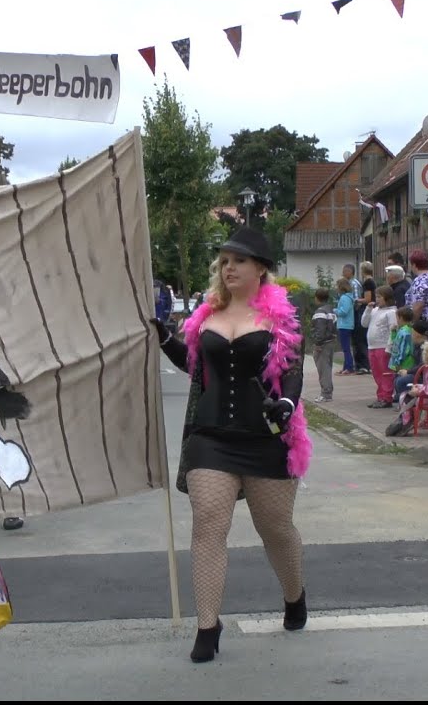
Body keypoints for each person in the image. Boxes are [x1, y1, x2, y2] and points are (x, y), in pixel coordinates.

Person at [149, 225, 310, 664]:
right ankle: (208, 625)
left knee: (275, 528)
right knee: (208, 525)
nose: (229, 267)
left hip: (265, 439)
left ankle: (294, 596)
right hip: (211, 437)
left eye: (238, 260)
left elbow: (292, 370)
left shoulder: (281, 317)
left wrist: (285, 402)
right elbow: (196, 365)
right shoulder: (208, 314)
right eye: (224, 261)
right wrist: (166, 339)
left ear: (260, 268)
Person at [362, 285, 398, 408]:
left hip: (383, 347)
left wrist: (389, 347)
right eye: (376, 296)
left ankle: (387, 397)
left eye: (379, 297)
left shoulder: (391, 312)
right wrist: (367, 309)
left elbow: (393, 330)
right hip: (372, 346)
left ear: (387, 298)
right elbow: (364, 323)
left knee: (385, 373)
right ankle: (380, 395)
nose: (377, 299)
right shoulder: (375, 310)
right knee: (376, 373)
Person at [310, 287, 338, 402]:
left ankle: (326, 393)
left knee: (323, 369)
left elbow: (320, 330)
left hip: (323, 344)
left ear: (317, 298)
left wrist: (318, 343)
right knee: (327, 366)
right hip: (331, 341)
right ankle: (328, 391)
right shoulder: (330, 310)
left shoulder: (320, 312)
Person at [335, 278, 356, 375]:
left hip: (345, 325)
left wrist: (335, 311)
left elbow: (344, 311)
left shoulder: (345, 298)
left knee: (346, 347)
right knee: (345, 347)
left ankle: (349, 367)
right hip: (345, 325)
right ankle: (345, 366)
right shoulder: (347, 297)